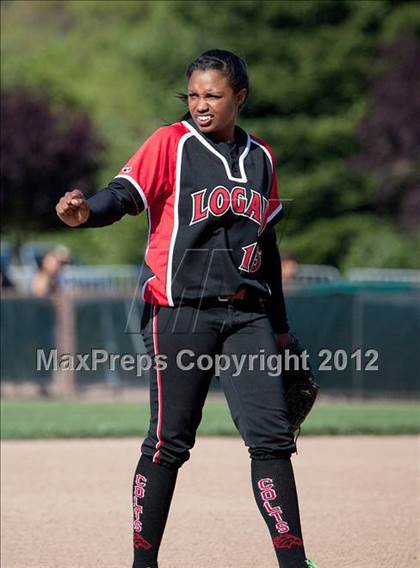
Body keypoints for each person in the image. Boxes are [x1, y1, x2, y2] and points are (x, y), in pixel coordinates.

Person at [56, 49, 318, 568]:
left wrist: (281, 329)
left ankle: (293, 561)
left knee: (271, 440)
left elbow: (266, 250)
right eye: (194, 94)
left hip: (248, 315)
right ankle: (143, 563)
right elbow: (122, 196)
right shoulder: (170, 144)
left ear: (239, 97)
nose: (201, 104)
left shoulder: (261, 158)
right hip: (180, 314)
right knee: (169, 442)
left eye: (213, 95)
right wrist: (86, 213)